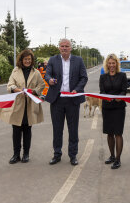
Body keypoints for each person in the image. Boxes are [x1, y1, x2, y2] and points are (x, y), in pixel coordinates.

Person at [0, 49, 45, 164]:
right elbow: (9, 86)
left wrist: (33, 92)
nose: (27, 61)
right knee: (16, 131)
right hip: (17, 105)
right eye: (25, 59)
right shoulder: (15, 71)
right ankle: (16, 155)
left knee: (27, 130)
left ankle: (26, 154)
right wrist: (17, 90)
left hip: (30, 105)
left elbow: (41, 85)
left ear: (32, 60)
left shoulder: (36, 72)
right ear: (21, 60)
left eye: (29, 59)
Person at [45, 38, 88, 166]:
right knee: (57, 129)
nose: (64, 48)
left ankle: (73, 155)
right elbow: (47, 74)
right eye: (62, 46)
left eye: (67, 46)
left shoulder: (78, 60)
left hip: (72, 100)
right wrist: (50, 80)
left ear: (71, 48)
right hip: (57, 99)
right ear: (59, 48)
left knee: (73, 129)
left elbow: (84, 77)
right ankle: (57, 154)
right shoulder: (53, 60)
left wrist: (77, 89)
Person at [100, 54, 128, 169]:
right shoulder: (103, 77)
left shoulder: (122, 75)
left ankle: (118, 159)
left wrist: (119, 97)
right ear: (107, 64)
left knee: (118, 133)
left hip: (119, 108)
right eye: (109, 63)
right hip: (107, 108)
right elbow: (101, 92)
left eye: (113, 63)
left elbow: (124, 90)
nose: (111, 65)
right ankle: (111, 156)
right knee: (109, 133)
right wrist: (107, 97)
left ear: (117, 64)